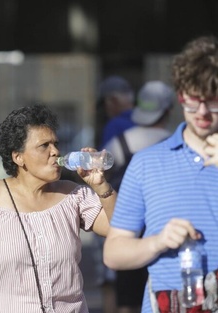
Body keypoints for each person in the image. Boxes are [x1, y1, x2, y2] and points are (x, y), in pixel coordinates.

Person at [0, 104, 117, 313]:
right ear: (18, 157)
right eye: (44, 146)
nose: (55, 152)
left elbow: (119, 229)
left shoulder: (73, 196)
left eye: (55, 144)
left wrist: (101, 185)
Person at [104, 35, 218, 313]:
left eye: (213, 101)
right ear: (179, 96)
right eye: (193, 100)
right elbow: (114, 253)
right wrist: (157, 242)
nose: (202, 112)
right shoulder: (147, 163)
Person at [103, 80, 174, 313]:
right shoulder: (175, 143)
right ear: (168, 109)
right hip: (166, 231)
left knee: (126, 298)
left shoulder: (120, 142)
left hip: (127, 231)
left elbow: (102, 175)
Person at [94, 75, 135, 313]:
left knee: (110, 278)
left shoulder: (115, 126)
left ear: (113, 100)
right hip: (145, 211)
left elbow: (103, 169)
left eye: (107, 104)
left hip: (117, 207)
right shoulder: (151, 124)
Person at [97, 75, 136, 148]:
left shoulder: (114, 126)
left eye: (104, 103)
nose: (104, 109)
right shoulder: (148, 122)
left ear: (113, 100)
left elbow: (104, 158)